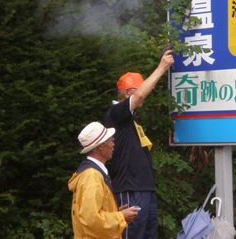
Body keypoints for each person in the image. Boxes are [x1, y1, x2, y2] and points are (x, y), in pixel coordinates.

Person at [102, 50, 174, 239]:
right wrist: (162, 67)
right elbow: (140, 96)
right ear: (128, 92)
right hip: (129, 189)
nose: (145, 92)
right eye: (140, 88)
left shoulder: (132, 119)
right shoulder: (116, 112)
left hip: (144, 189)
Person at [68, 121, 139, 239]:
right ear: (101, 147)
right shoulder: (92, 176)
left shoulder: (94, 173)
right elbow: (91, 220)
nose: (113, 144)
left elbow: (94, 212)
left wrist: (115, 211)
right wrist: (121, 216)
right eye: (111, 139)